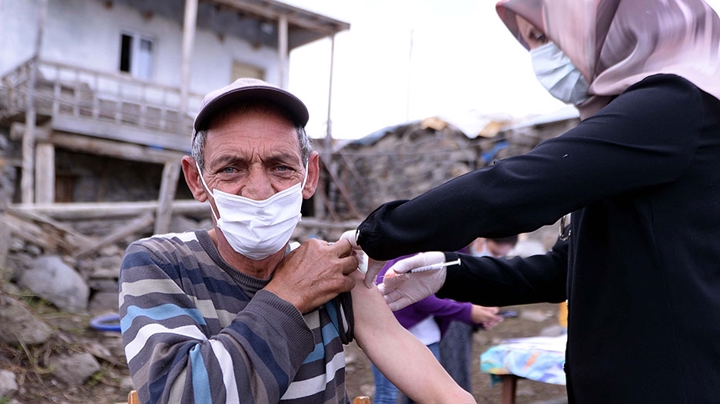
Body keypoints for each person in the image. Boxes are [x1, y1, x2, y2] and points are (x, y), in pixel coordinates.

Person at [346, 0, 720, 403]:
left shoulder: (675, 106)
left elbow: (517, 189)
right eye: (531, 41)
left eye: (545, 35)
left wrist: (375, 234)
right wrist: (451, 272)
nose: (540, 56)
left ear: (602, 16)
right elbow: (564, 269)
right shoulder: (633, 125)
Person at [118, 78, 474, 404]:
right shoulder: (159, 262)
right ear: (197, 180)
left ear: (310, 175)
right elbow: (180, 396)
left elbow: (427, 376)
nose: (258, 191)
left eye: (281, 167)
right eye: (230, 168)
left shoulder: (331, 271)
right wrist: (290, 293)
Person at [370, 255, 501, 404]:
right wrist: (468, 312)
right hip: (392, 335)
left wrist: (479, 315)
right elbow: (420, 295)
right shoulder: (406, 244)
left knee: (429, 395)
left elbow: (451, 290)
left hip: (428, 337)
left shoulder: (453, 247)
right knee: (387, 396)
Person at [437, 235, 517, 392]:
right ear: (482, 240)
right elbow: (435, 298)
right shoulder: (454, 250)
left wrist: (481, 315)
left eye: (502, 256)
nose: (498, 259)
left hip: (457, 322)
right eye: (494, 252)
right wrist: (469, 311)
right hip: (441, 325)